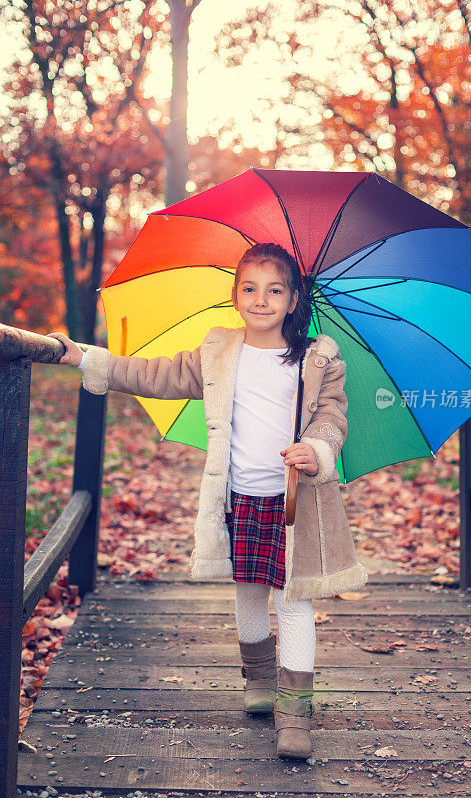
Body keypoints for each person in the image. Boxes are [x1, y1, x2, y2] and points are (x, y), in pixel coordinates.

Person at [48, 242, 367, 760]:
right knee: (247, 592)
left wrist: (317, 447)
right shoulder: (219, 353)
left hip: (294, 501)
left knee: (294, 599)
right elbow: (154, 375)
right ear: (235, 294)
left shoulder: (317, 359)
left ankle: (295, 714)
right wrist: (85, 356)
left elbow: (334, 417)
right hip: (239, 494)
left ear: (293, 300)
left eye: (274, 289)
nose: (260, 299)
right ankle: (261, 685)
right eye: (249, 288)